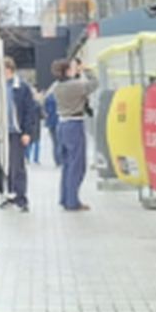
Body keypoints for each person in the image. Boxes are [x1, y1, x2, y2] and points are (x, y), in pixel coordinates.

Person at [50, 58, 98, 212]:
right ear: (67, 71)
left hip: (62, 125)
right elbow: (95, 83)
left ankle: (65, 198)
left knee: (67, 165)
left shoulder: (57, 87)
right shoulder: (76, 85)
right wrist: (86, 69)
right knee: (77, 166)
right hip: (74, 124)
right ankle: (72, 201)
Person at [0, 58, 35, 211]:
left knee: (17, 166)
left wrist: (27, 132)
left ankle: (21, 198)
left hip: (16, 132)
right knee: (2, 165)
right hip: (0, 132)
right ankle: (7, 195)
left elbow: (29, 111)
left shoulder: (21, 87)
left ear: (9, 69)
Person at [41, 82, 62, 167]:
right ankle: (61, 160)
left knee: (55, 142)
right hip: (59, 121)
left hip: (50, 123)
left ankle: (57, 161)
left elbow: (45, 111)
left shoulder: (47, 98)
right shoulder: (59, 97)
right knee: (60, 142)